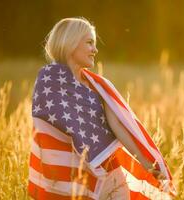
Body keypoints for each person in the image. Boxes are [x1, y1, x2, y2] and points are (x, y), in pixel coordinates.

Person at [28, 17, 176, 200]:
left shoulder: (97, 86)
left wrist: (148, 164)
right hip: (72, 178)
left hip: (110, 175)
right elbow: (46, 129)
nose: (95, 50)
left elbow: (118, 127)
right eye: (90, 43)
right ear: (71, 42)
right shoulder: (47, 81)